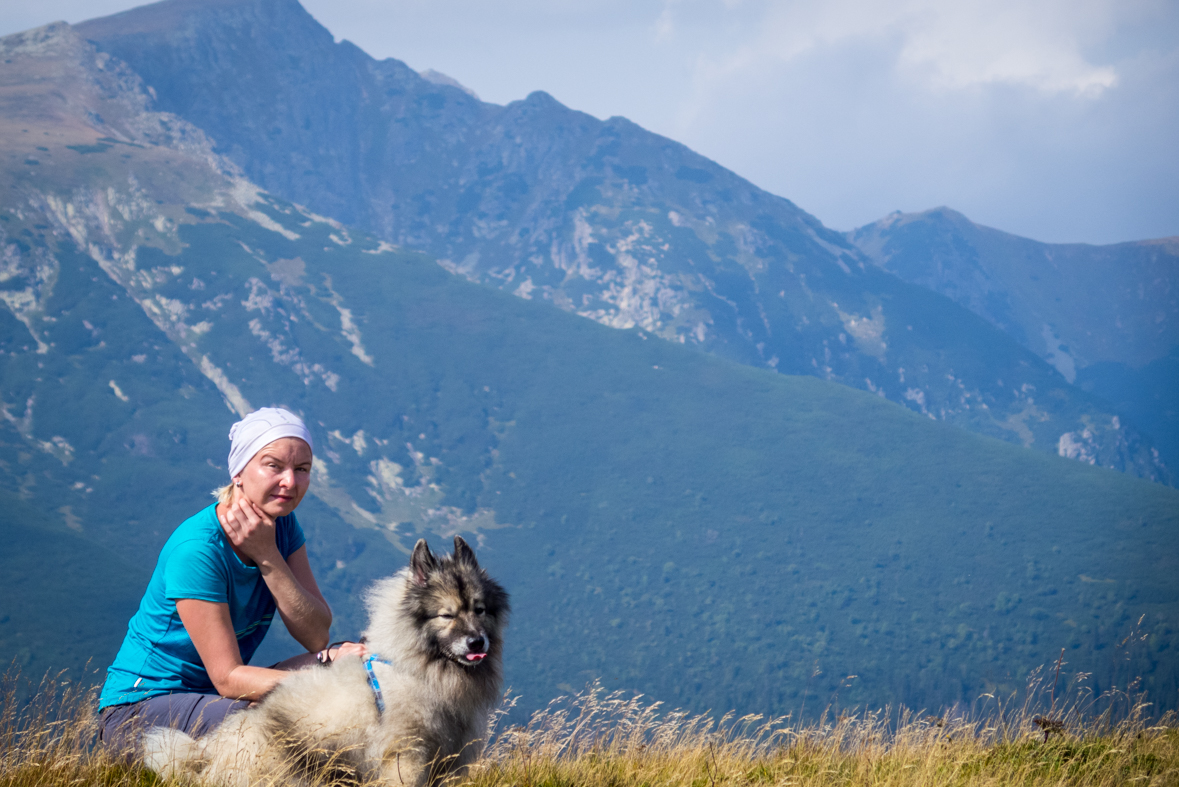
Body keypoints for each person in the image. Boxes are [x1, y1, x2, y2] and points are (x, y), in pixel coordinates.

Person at [97, 407, 365, 756]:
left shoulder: (281, 526)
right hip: (139, 712)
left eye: (302, 469)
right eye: (274, 466)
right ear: (239, 471)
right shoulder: (198, 549)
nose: (290, 482)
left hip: (211, 698)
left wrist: (267, 555)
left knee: (349, 659)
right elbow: (227, 677)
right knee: (291, 720)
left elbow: (316, 635)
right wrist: (319, 684)